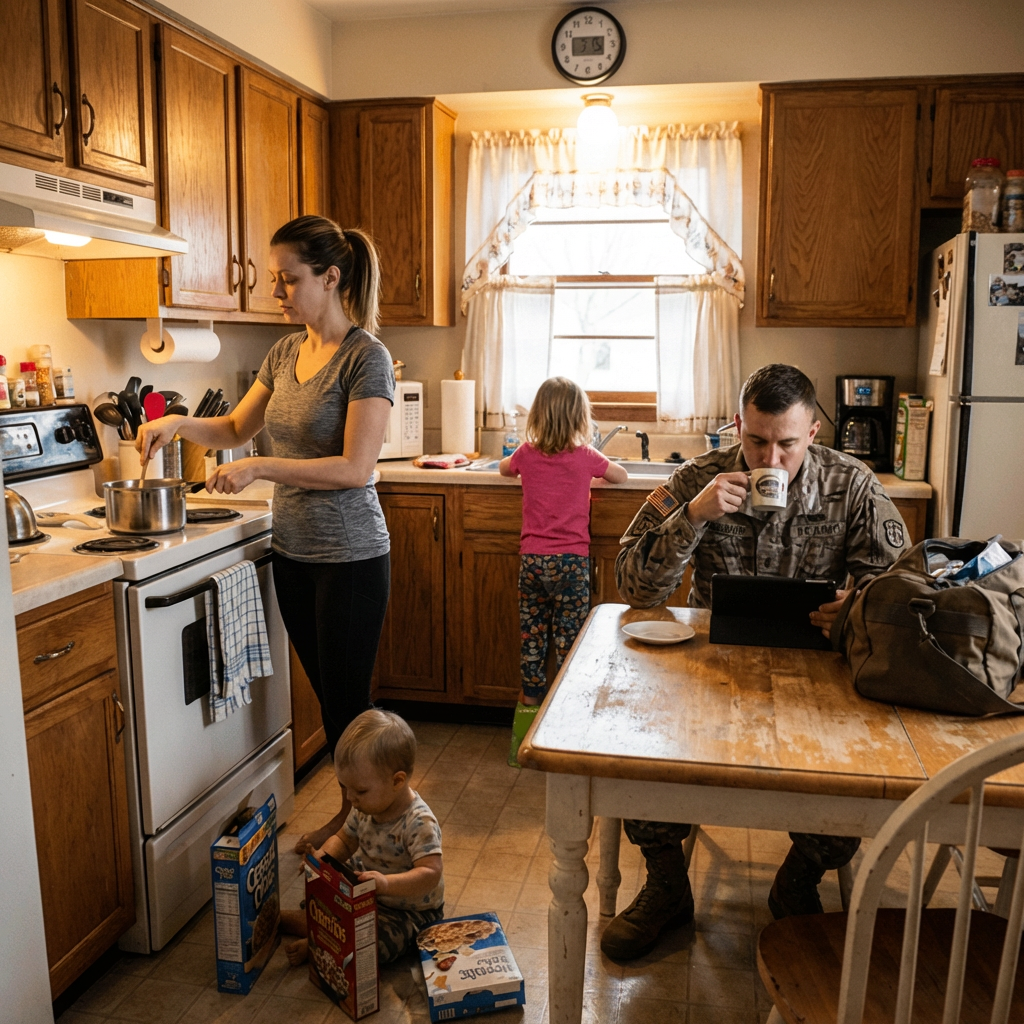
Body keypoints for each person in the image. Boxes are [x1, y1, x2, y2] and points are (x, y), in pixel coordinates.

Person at [602, 363, 910, 961]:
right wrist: (693, 517)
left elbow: (901, 590)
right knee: (637, 744)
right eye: (757, 442)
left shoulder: (854, 485)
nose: (771, 458)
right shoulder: (699, 478)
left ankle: (798, 880)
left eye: (787, 444)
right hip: (709, 669)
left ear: (814, 433)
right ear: (737, 428)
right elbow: (634, 585)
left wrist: (858, 606)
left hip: (817, 672)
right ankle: (667, 885)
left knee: (865, 768)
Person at [137, 215, 395, 854]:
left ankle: (363, 827)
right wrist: (177, 424)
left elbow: (355, 469)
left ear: (330, 278)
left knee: (349, 710)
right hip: (295, 554)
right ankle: (357, 822)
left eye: (288, 280)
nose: (277, 292)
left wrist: (258, 466)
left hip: (351, 558)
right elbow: (232, 430)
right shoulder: (284, 353)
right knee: (331, 702)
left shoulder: (367, 358)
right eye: (274, 280)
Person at [499, 378, 628, 765]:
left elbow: (505, 469)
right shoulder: (587, 456)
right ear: (580, 417)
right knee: (571, 644)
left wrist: (520, 461)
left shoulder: (526, 453)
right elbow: (620, 476)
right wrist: (596, 473)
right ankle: (564, 735)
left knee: (533, 639)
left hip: (533, 562)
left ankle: (524, 737)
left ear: (537, 415)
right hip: (571, 564)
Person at [280, 709, 445, 965]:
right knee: (322, 905)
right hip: (367, 891)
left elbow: (430, 873)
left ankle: (319, 946)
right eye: (345, 788)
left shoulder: (419, 822)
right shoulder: (364, 808)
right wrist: (324, 858)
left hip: (410, 911)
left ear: (397, 781)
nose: (350, 798)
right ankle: (298, 923)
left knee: (375, 943)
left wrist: (387, 884)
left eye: (360, 790)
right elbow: (345, 839)